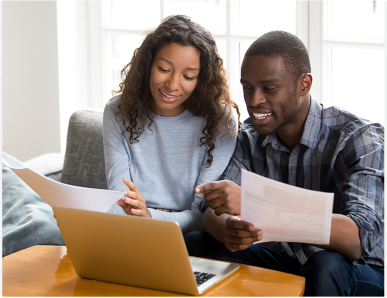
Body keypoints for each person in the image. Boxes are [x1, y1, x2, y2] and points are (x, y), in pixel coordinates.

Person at [185, 30, 384, 296]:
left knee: (325, 264)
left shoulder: (359, 137)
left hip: (354, 270)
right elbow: (212, 212)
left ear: (304, 84)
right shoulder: (249, 138)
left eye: (269, 88)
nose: (254, 100)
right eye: (247, 87)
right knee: (198, 243)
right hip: (288, 262)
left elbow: (358, 239)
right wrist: (228, 230)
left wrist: (258, 206)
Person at [102, 15, 240, 235]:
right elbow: (118, 198)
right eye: (164, 70)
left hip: (185, 234)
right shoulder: (118, 111)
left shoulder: (221, 121)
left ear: (201, 79)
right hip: (128, 226)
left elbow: (201, 216)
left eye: (188, 76)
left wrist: (149, 217)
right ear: (148, 65)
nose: (173, 85)